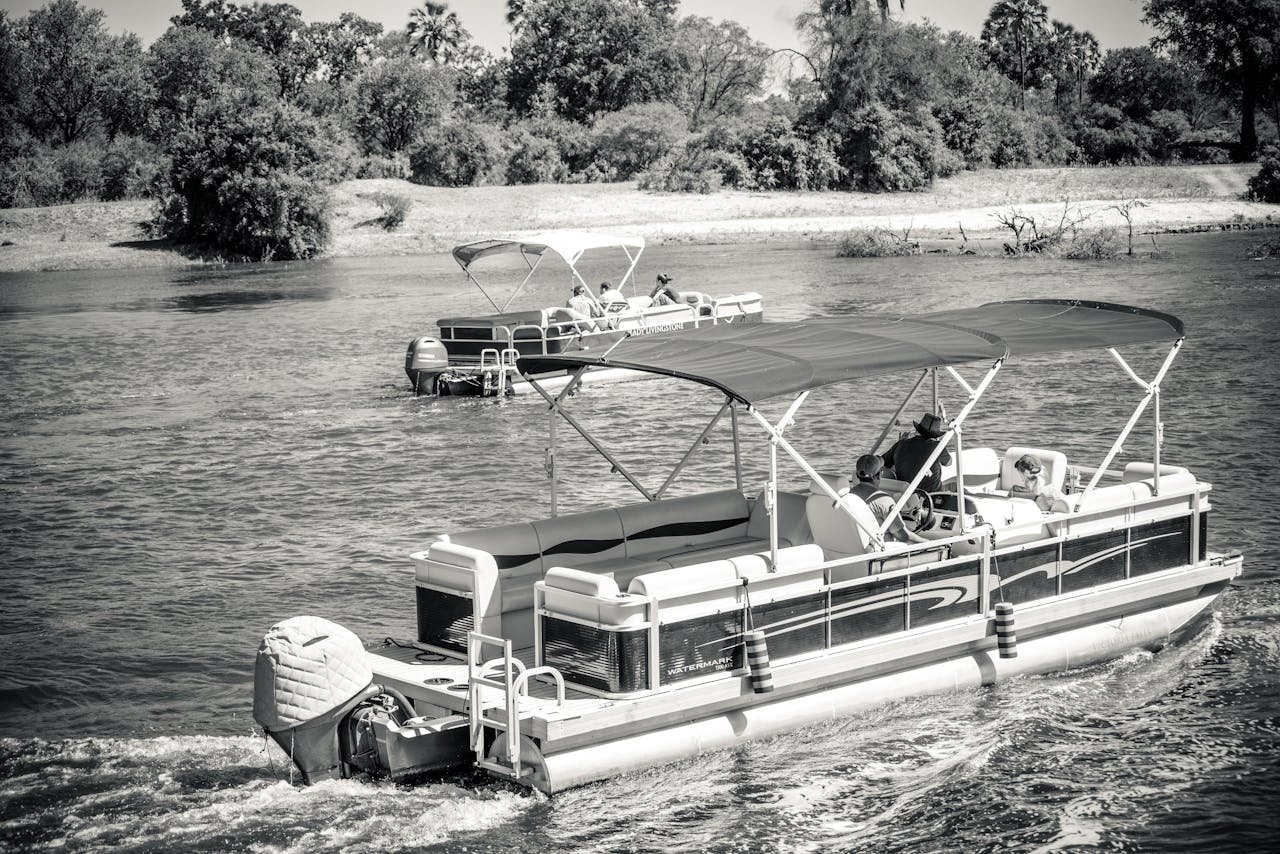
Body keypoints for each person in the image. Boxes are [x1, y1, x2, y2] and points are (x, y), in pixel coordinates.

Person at [850, 454, 928, 543]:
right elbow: (904, 536)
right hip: (882, 551)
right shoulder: (884, 501)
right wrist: (928, 543)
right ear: (880, 474)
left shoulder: (848, 496)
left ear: (857, 474)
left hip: (854, 547)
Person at [882, 412, 952, 493]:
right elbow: (949, 463)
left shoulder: (901, 444)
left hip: (906, 495)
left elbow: (884, 462)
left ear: (917, 430)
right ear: (935, 435)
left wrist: (901, 444)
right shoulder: (938, 447)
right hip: (932, 495)